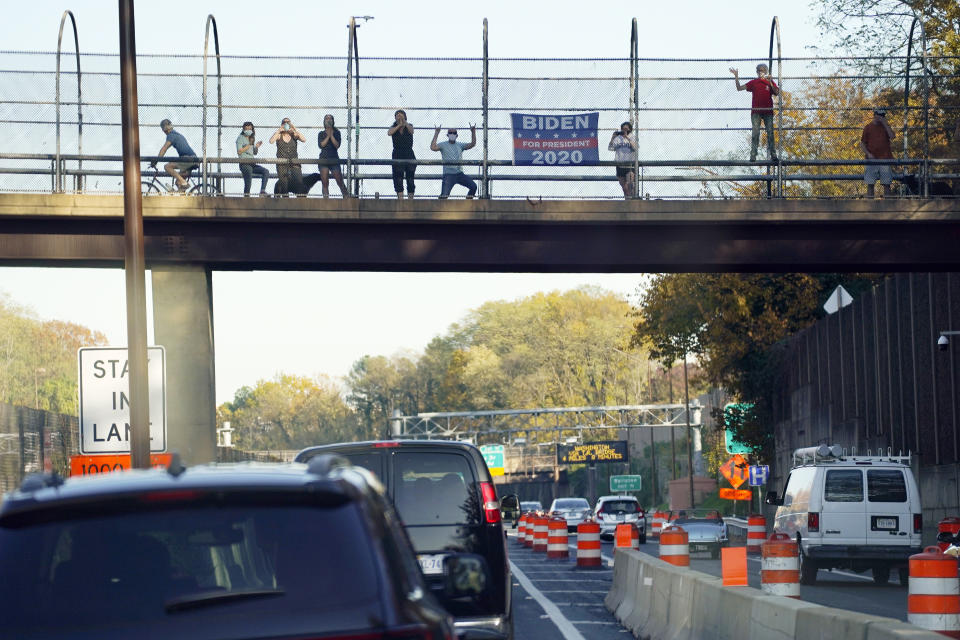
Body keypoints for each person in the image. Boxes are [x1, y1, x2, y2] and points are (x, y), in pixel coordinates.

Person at [729, 64, 780, 162]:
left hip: (767, 111)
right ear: (757, 72)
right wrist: (736, 76)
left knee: (770, 133)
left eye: (763, 71)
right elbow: (739, 88)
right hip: (756, 112)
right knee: (755, 133)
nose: (761, 73)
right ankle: (753, 155)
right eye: (759, 71)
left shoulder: (769, 82)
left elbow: (777, 92)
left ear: (766, 72)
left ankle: (774, 155)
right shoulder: (754, 82)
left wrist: (770, 82)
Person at [430, 124, 477, 199]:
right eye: (450, 133)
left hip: (459, 174)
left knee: (473, 186)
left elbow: (472, 144)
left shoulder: (460, 145)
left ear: (457, 135)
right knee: (444, 196)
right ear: (447, 135)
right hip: (448, 174)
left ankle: (468, 202)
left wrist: (473, 132)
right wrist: (437, 133)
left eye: (454, 133)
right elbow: (433, 147)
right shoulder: (443, 145)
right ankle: (439, 208)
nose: (452, 134)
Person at [152, 119, 198, 192]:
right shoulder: (176, 134)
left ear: (164, 129)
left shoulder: (171, 135)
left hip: (188, 159)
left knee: (167, 166)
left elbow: (164, 149)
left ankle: (184, 182)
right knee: (178, 182)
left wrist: (156, 161)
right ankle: (181, 196)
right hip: (192, 159)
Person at [860, 108, 895, 199]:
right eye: (879, 115)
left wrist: (885, 124)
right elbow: (862, 144)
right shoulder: (868, 127)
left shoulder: (886, 126)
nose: (881, 117)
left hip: (885, 159)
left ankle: (888, 205)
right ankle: (870, 204)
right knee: (870, 183)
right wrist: (868, 154)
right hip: (872, 160)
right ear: (874, 115)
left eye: (883, 115)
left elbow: (892, 136)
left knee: (887, 183)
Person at [269, 117, 306, 196]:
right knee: (284, 184)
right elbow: (271, 141)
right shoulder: (279, 135)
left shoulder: (294, 135)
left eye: (288, 122)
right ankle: (285, 201)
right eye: (284, 122)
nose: (286, 124)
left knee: (299, 182)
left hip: (294, 162)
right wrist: (279, 130)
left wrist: (294, 129)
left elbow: (304, 140)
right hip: (282, 163)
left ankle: (300, 201)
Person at [317, 114, 349, 198]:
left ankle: (346, 198)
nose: (328, 120)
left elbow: (337, 145)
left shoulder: (337, 133)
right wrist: (328, 136)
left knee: (339, 181)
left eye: (330, 118)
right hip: (323, 159)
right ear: (324, 122)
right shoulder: (321, 134)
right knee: (324, 182)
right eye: (326, 119)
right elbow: (321, 145)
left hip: (334, 159)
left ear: (333, 121)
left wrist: (332, 136)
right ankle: (326, 201)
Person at [388, 109, 416, 199]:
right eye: (397, 115)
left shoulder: (409, 126)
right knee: (398, 177)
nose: (399, 116)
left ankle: (410, 199)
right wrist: (399, 125)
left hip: (408, 152)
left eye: (401, 115)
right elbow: (389, 133)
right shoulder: (393, 127)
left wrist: (404, 123)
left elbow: (412, 131)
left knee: (410, 177)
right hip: (397, 153)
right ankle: (400, 199)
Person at [236, 121, 268, 196]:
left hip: (252, 163)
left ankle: (262, 191)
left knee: (266, 171)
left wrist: (256, 146)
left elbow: (254, 153)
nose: (248, 130)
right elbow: (239, 151)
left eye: (250, 128)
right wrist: (249, 145)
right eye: (246, 128)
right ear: (243, 129)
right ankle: (247, 196)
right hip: (245, 164)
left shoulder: (251, 138)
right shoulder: (240, 138)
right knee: (248, 180)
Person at [608, 121, 638, 199]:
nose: (624, 131)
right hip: (620, 164)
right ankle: (627, 201)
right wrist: (613, 138)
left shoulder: (633, 137)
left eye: (626, 129)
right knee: (624, 187)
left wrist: (627, 138)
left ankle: (633, 200)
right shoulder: (618, 138)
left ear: (630, 130)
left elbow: (635, 147)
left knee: (630, 185)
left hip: (630, 165)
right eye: (623, 129)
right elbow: (610, 148)